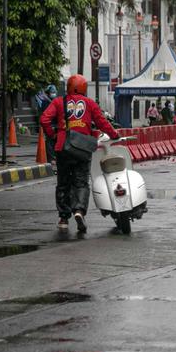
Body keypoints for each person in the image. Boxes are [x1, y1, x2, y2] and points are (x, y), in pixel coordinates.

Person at [40, 74, 118, 233]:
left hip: (63, 148)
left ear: (68, 86)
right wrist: (114, 134)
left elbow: (44, 119)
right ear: (83, 88)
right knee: (81, 182)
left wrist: (53, 135)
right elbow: (102, 122)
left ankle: (63, 218)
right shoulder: (89, 103)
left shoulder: (58, 102)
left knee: (63, 182)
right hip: (82, 149)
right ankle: (79, 211)